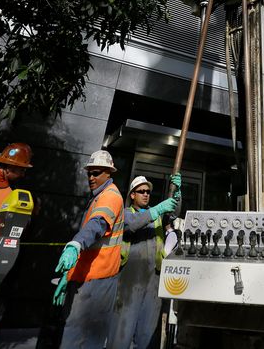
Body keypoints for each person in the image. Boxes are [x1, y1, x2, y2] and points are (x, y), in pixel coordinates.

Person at [53, 149, 124, 349]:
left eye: (96, 173)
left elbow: (97, 225)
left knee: (79, 337)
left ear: (109, 173)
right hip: (89, 276)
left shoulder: (110, 196)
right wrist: (69, 275)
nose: (91, 177)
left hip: (98, 279)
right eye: (89, 173)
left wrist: (75, 245)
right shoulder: (98, 196)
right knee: (81, 335)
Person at [106, 171, 181, 349]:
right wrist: (158, 210)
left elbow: (174, 211)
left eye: (148, 192)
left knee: (148, 335)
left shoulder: (158, 216)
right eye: (142, 191)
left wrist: (178, 193)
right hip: (129, 281)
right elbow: (133, 225)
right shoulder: (124, 214)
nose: (146, 194)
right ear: (132, 195)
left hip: (153, 280)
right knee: (121, 331)